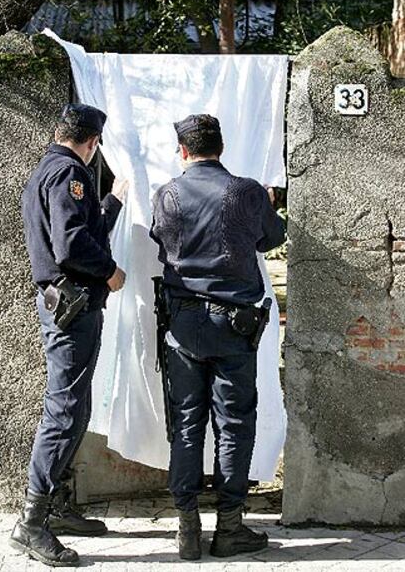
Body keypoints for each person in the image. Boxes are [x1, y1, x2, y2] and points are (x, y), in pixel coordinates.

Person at [150, 114, 285, 561]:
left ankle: (187, 529)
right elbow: (272, 237)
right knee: (234, 424)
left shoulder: (166, 193)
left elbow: (162, 242)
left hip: (183, 324)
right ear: (220, 148)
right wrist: (265, 204)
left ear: (183, 151)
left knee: (186, 424)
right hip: (235, 325)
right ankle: (229, 527)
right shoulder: (246, 191)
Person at [10, 103, 128, 567]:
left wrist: (112, 202)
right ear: (92, 142)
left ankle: (54, 504)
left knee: (74, 408)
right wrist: (112, 272)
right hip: (73, 304)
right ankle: (31, 522)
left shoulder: (49, 169)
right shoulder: (67, 174)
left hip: (69, 304)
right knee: (63, 411)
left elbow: (85, 227)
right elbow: (73, 243)